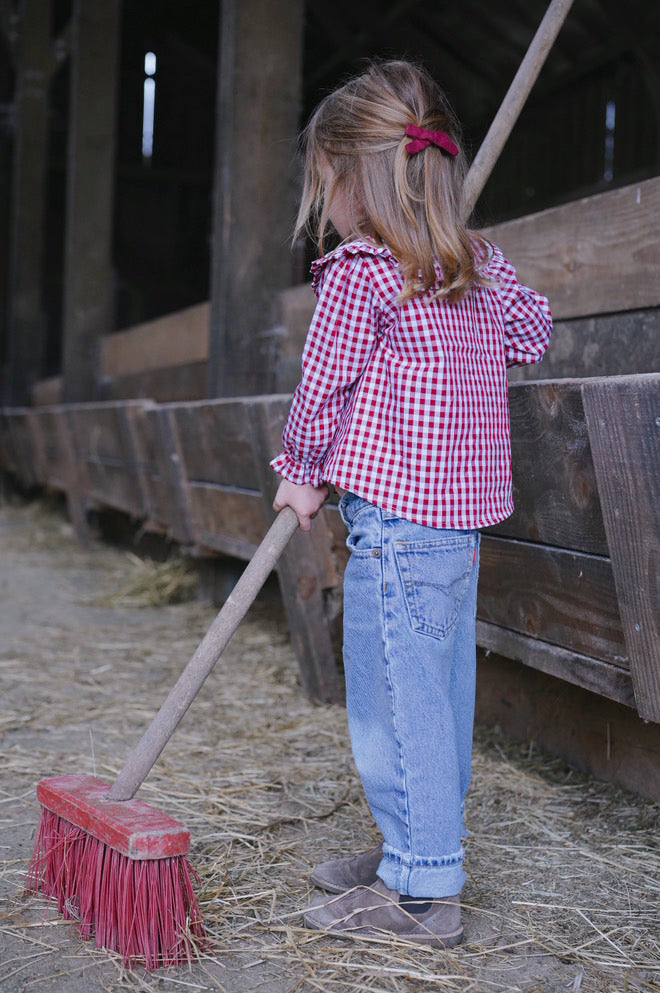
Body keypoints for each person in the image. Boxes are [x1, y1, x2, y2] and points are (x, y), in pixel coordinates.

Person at [271, 60, 552, 946]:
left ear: (358, 179)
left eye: (328, 184)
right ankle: (410, 849)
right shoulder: (475, 267)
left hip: (397, 530)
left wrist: (301, 467)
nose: (330, 206)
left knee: (402, 699)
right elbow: (534, 333)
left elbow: (323, 386)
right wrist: (477, 259)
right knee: (429, 695)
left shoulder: (360, 272)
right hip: (454, 533)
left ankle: (425, 891)